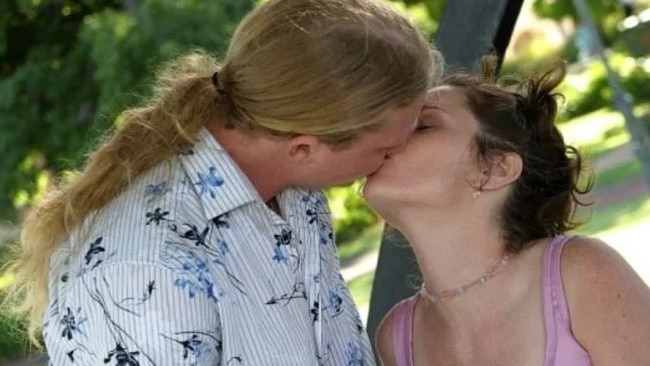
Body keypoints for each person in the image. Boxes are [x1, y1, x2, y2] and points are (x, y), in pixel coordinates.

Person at [5, 0, 440, 364]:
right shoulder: (146, 270)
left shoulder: (297, 193)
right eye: (383, 150)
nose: (395, 157)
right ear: (304, 147)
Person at [362, 60, 650, 365]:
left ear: (495, 169)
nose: (387, 137)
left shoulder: (580, 272)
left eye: (422, 125)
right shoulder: (396, 338)